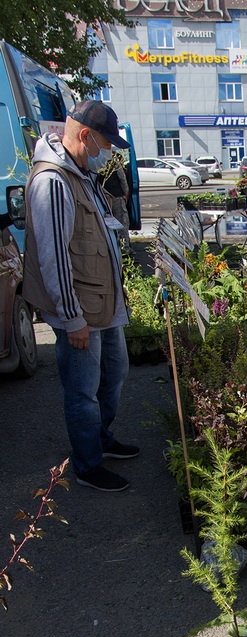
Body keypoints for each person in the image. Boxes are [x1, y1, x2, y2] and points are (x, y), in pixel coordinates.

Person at [23, 99, 138, 493]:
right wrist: (71, 318)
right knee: (82, 391)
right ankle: (88, 465)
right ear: (85, 135)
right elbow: (53, 254)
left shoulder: (80, 172)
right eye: (104, 143)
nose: (106, 152)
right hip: (80, 312)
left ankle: (102, 439)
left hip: (102, 303)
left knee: (115, 372)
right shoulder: (53, 181)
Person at [102, 154, 131, 246]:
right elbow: (122, 178)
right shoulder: (113, 161)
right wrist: (126, 193)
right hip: (117, 197)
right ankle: (125, 249)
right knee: (122, 224)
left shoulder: (96, 161)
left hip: (103, 198)